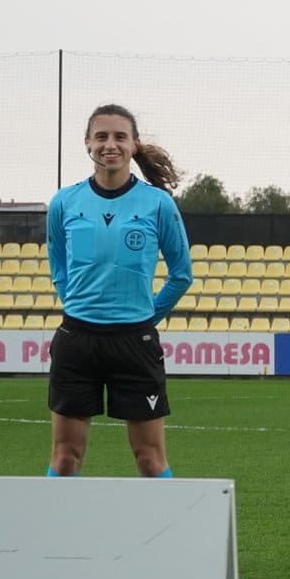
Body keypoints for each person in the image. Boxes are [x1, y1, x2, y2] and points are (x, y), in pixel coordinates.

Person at [46, 104, 192, 478]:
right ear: (87, 143)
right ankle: (56, 537)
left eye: (119, 137)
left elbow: (181, 274)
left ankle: (166, 536)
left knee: (149, 460)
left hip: (134, 342)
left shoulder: (158, 203)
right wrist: (78, 304)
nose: (110, 145)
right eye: (102, 137)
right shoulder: (64, 202)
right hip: (77, 339)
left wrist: (146, 318)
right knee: (65, 459)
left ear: (134, 144)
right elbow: (59, 269)